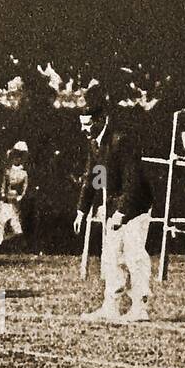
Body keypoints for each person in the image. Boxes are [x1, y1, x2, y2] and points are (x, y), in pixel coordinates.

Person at [73, 92, 155, 323]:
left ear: (101, 120)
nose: (84, 129)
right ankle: (111, 306)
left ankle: (141, 307)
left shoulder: (121, 140)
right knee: (110, 258)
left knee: (134, 256)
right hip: (113, 206)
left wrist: (122, 212)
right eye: (82, 125)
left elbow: (133, 180)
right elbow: (92, 177)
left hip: (135, 207)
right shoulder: (94, 143)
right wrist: (82, 209)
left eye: (88, 124)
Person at [0, 141, 30, 246]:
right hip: (6, 199)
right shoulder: (7, 171)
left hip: (16, 200)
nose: (17, 159)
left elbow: (25, 187)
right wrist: (2, 195)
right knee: (2, 219)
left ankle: (18, 242)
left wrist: (21, 197)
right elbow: (3, 184)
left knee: (16, 221)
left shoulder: (24, 173)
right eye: (15, 157)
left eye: (19, 157)